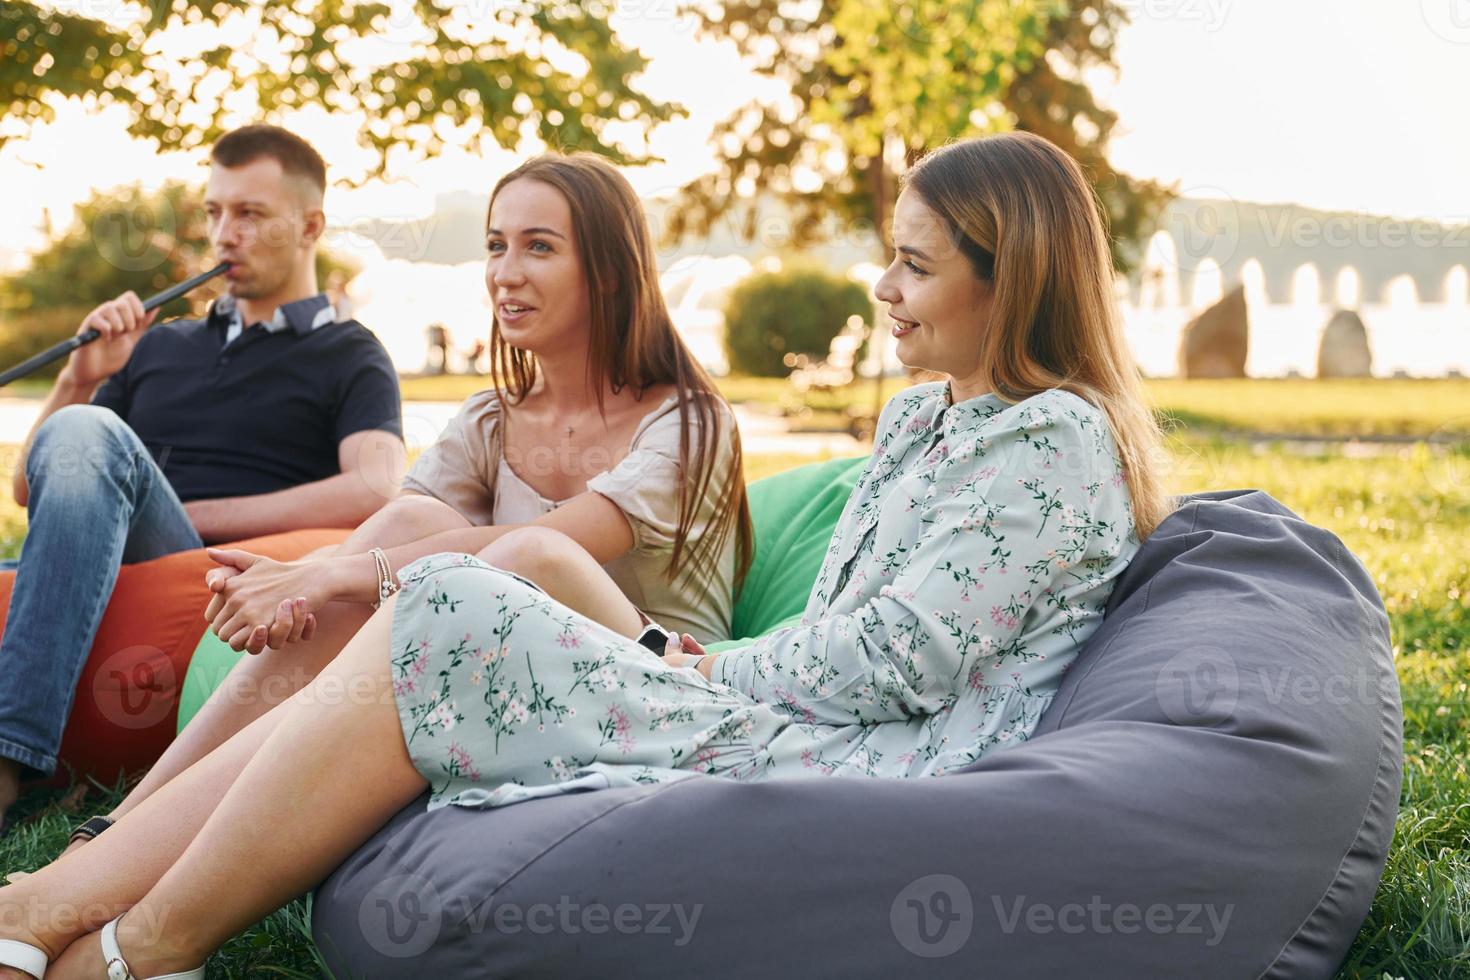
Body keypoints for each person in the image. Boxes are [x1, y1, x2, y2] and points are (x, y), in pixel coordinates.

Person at [0, 131, 1174, 979]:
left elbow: (896, 667)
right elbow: (408, 520)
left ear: (1005, 273)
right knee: (429, 592)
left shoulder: (1052, 440)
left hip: (870, 753)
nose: (883, 284)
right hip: (791, 695)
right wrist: (338, 572)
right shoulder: (930, 416)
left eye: (915, 263)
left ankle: (133, 942)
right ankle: (64, 901)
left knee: (452, 599)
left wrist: (709, 666)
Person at [39, 151, 752, 865]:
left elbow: (549, 547)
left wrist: (327, 576)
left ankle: (125, 851)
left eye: (540, 246)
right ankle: (121, 829)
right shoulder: (492, 419)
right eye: (496, 245)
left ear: (608, 271)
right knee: (409, 527)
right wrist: (313, 575)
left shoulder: (689, 421)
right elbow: (402, 527)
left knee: (447, 564)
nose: (506, 271)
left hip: (657, 683)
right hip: (512, 674)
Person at [0, 124, 406, 832]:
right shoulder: (157, 343)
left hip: (214, 576)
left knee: (92, 433)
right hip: (103, 551)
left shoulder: (349, 353)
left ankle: (7, 765)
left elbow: (373, 488)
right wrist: (79, 376)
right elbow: (33, 491)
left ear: (311, 225)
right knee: (82, 428)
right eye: (216, 213)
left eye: (250, 214)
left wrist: (196, 512)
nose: (225, 234)